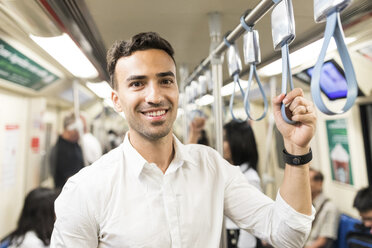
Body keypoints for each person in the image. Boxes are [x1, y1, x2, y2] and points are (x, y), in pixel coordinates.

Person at [50, 32, 316, 247]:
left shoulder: (211, 167)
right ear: (117, 101)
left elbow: (287, 235)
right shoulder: (85, 190)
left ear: (178, 90)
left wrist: (296, 148)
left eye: (165, 81)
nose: (154, 96)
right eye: (137, 84)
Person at [223, 120, 262, 248]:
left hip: (240, 239)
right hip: (229, 235)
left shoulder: (250, 178)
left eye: (225, 139)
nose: (222, 144)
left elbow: (250, 224)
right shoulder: (230, 171)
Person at [305, 168, 340, 248]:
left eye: (307, 181)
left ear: (319, 183)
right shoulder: (306, 205)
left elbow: (323, 241)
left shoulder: (330, 208)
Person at [50, 113, 84, 188]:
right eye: (77, 132)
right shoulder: (60, 149)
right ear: (70, 130)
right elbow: (69, 178)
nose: (79, 135)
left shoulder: (75, 144)